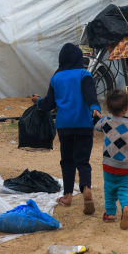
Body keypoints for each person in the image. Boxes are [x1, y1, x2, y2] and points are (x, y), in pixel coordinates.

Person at [31, 43, 101, 214]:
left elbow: (49, 104)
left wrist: (37, 101)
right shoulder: (84, 75)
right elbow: (90, 94)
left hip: (64, 125)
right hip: (84, 124)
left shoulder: (56, 78)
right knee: (82, 161)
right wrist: (94, 108)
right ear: (79, 59)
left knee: (67, 160)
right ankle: (86, 189)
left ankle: (67, 196)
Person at [94, 89, 128, 230]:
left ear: (108, 108)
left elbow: (96, 125)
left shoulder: (106, 122)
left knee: (109, 189)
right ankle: (126, 207)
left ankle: (110, 214)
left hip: (109, 164)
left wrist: (97, 116)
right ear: (127, 107)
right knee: (125, 189)